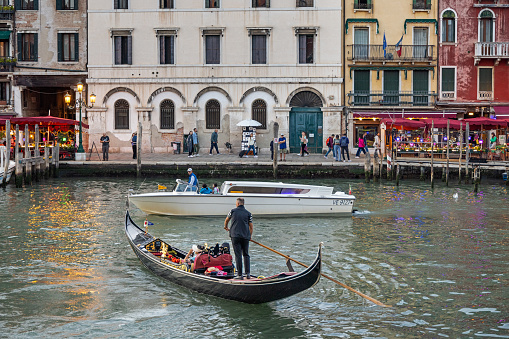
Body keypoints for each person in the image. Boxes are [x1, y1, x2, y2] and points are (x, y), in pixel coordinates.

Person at [224, 197, 253, 279]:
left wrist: (226, 227)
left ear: (237, 203)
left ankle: (239, 275)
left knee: (238, 255)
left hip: (235, 236)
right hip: (245, 236)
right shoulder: (248, 213)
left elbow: (226, 220)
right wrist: (250, 236)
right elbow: (251, 226)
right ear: (243, 204)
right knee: (246, 254)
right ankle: (248, 274)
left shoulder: (232, 211)